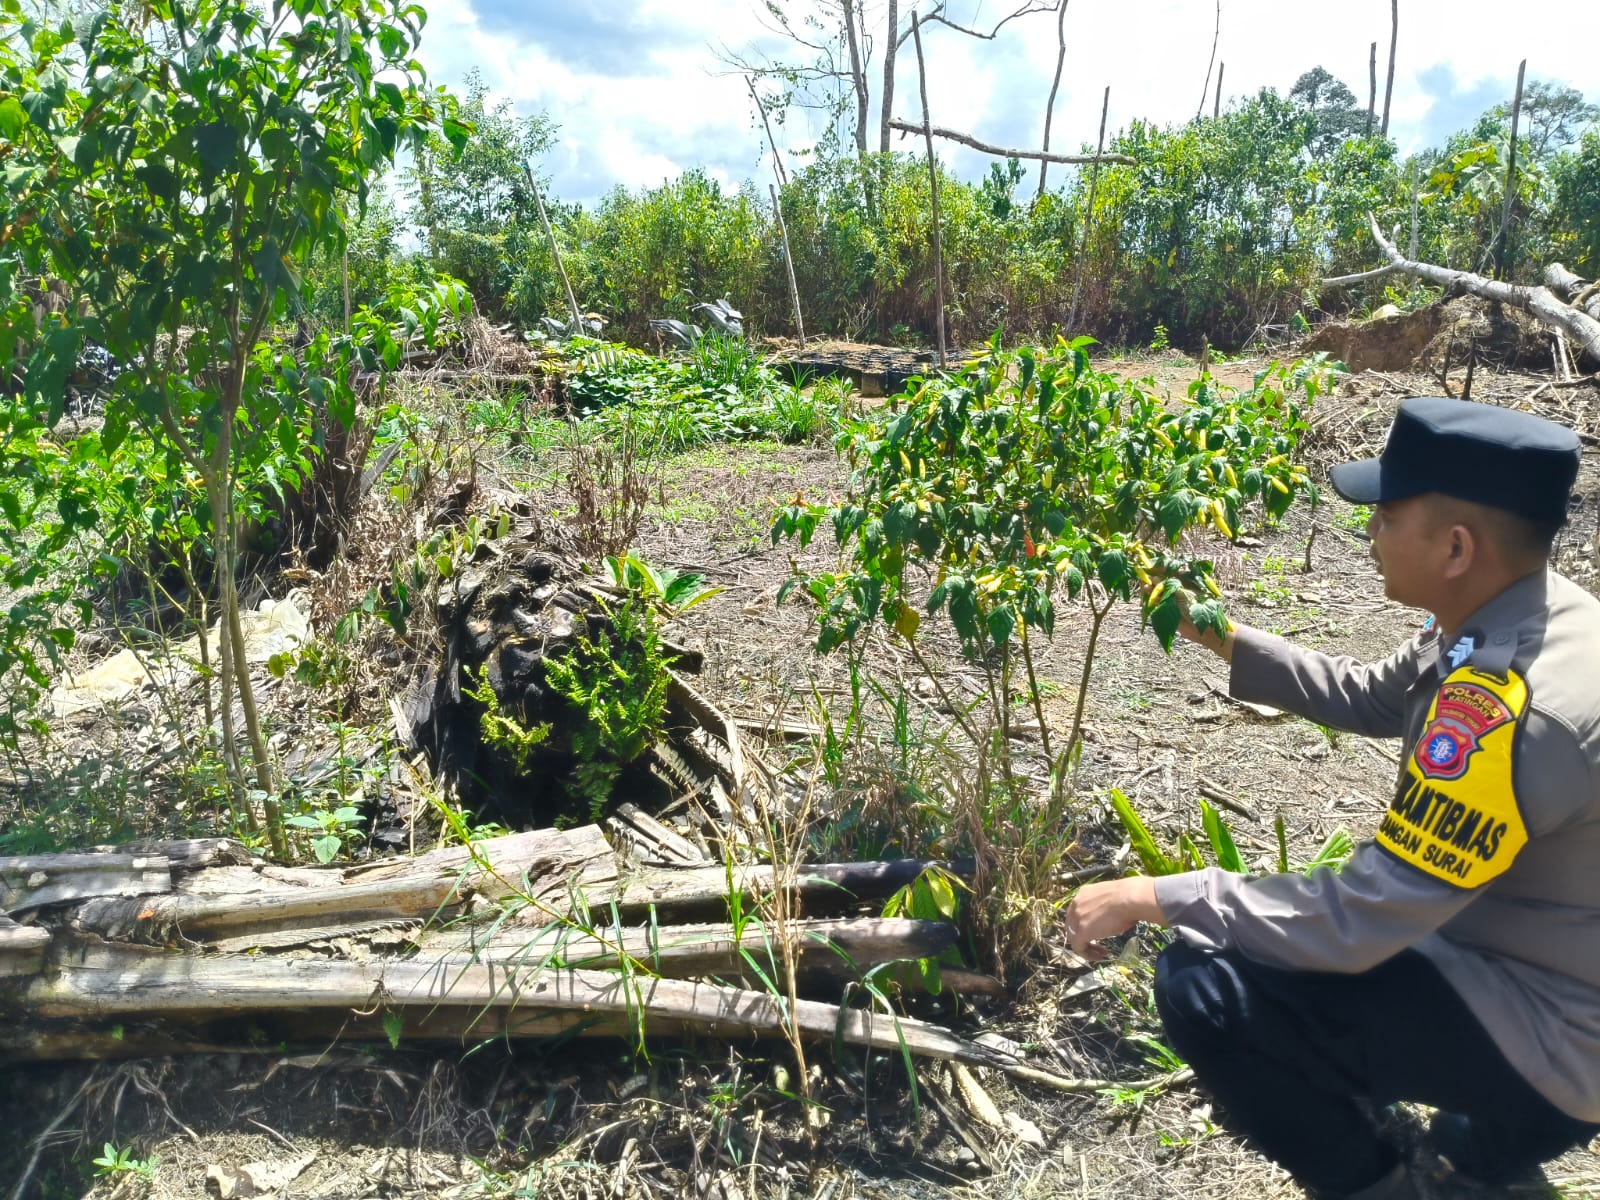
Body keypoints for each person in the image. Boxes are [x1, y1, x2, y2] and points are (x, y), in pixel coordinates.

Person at [1063, 396, 1600, 1199]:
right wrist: (1216, 631)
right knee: (1468, 1142)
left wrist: (1155, 894)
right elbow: (1370, 693)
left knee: (1204, 982)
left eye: (1385, 514)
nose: (1371, 531)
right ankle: (1485, 1144)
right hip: (1543, 968)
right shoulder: (1530, 614)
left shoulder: (1512, 707)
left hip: (1561, 1029)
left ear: (1455, 547)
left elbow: (1358, 919)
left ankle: (1385, 1184)